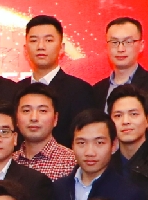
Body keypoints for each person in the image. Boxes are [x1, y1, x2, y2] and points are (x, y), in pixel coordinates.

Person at [19, 15, 98, 146]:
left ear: (61, 48)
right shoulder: (16, 90)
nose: (40, 46)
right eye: (34, 40)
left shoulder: (79, 90)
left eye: (48, 40)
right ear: (25, 49)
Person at [90, 17, 148, 115]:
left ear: (141, 45)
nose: (120, 49)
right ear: (107, 46)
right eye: (114, 42)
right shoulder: (96, 90)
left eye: (128, 42)